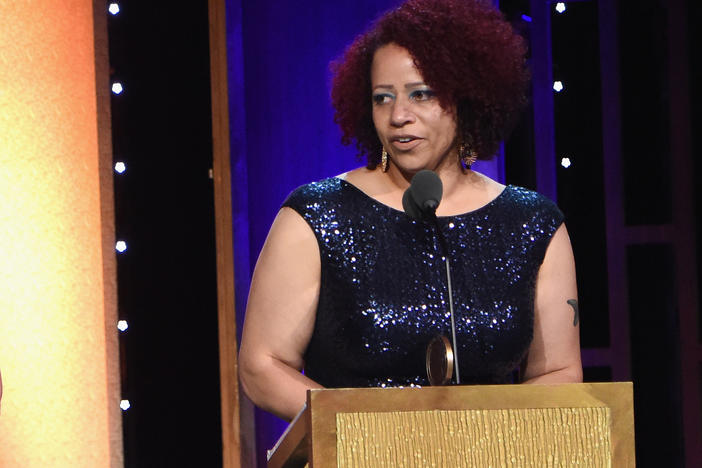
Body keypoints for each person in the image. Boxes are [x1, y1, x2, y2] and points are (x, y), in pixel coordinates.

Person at [239, 0, 582, 421]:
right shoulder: (317, 214)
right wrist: (369, 433)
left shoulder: (532, 224)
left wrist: (480, 432)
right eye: (383, 98)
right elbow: (262, 366)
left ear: (466, 96)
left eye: (421, 94)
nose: (399, 116)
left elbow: (560, 373)